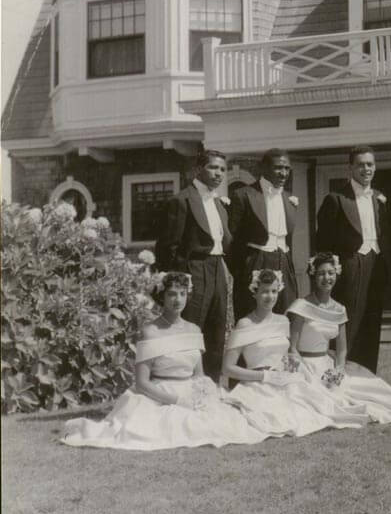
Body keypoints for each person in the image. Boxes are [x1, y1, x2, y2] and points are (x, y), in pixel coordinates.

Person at [61, 273, 271, 450]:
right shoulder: (150, 331)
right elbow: (142, 383)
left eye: (182, 294)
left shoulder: (193, 329)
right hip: (159, 394)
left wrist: (205, 392)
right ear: (162, 296)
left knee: (222, 423)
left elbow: (198, 374)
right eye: (172, 294)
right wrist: (177, 400)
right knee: (171, 427)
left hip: (189, 388)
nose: (178, 300)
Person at [222, 269, 368, 436]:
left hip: (285, 380)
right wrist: (264, 376)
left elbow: (284, 354)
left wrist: (291, 363)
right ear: (254, 293)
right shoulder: (244, 324)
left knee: (317, 409)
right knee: (278, 418)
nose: (270, 297)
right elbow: (227, 368)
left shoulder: (283, 321)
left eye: (274, 291)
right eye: (264, 292)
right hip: (257, 383)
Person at [286, 253, 391, 423]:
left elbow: (342, 350)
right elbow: (292, 348)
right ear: (313, 275)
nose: (326, 278)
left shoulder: (339, 309)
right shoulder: (302, 306)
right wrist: (305, 373)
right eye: (321, 273)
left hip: (327, 365)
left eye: (330, 272)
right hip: (304, 366)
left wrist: (337, 371)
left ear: (337, 274)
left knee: (364, 391)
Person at [315, 146, 391, 373]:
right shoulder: (336, 199)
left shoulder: (381, 199)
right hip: (350, 267)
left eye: (370, 164)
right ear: (350, 167)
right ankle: (338, 376)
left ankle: (366, 379)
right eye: (360, 164)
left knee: (371, 326)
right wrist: (331, 272)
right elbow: (322, 242)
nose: (366, 168)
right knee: (347, 326)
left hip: (376, 264)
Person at [154, 149, 232, 382]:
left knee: (216, 332)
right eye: (213, 167)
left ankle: (211, 387)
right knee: (191, 329)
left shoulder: (219, 204)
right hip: (193, 270)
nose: (218, 174)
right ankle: (183, 385)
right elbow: (168, 246)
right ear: (198, 170)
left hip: (218, 268)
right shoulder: (181, 200)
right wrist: (178, 280)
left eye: (222, 169)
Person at [228, 149, 300, 319]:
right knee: (253, 316)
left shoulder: (289, 200)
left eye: (287, 168)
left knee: (286, 314)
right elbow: (232, 241)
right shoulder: (244, 195)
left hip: (284, 261)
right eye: (278, 168)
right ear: (264, 168)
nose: (283, 173)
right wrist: (244, 269)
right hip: (256, 262)